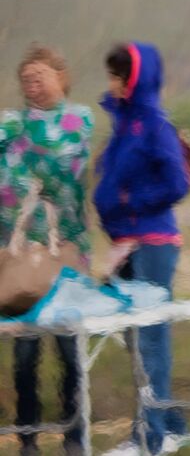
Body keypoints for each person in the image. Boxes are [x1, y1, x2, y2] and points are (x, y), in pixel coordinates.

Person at [93, 42, 190, 456]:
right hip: (126, 246)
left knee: (151, 337)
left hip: (153, 243)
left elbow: (177, 182)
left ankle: (150, 438)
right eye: (111, 76)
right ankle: (171, 424)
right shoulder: (124, 125)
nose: (113, 84)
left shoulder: (153, 124)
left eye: (119, 76)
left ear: (136, 79)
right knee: (137, 339)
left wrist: (129, 204)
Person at [1, 45, 93, 456]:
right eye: (26, 80)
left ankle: (75, 435)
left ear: (61, 76)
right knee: (24, 354)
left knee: (70, 351)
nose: (32, 85)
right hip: (23, 255)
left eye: (39, 76)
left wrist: (20, 164)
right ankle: (28, 439)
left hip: (67, 250)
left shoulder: (79, 118)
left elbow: (63, 168)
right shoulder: (13, 123)